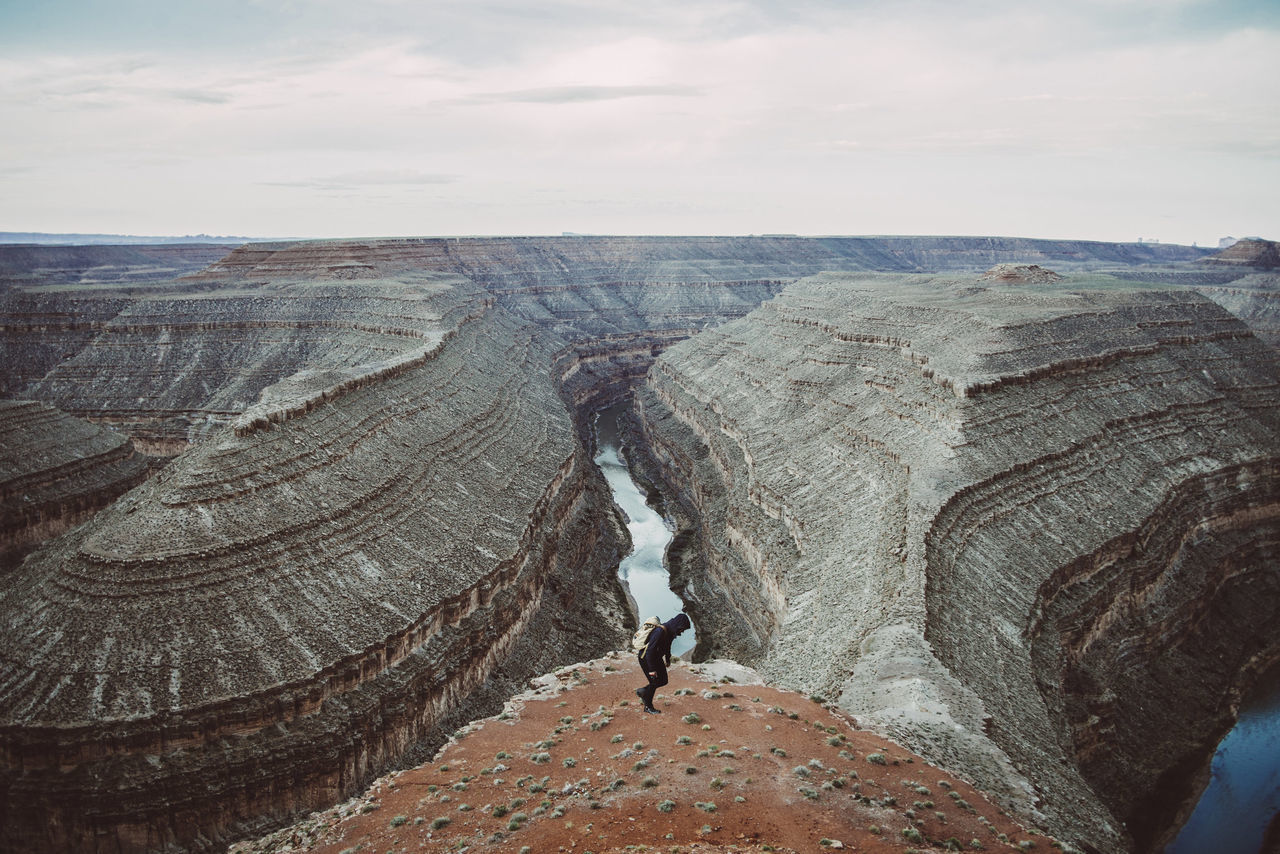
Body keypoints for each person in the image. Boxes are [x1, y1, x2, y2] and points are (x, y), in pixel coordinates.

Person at [635, 612, 692, 714]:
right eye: (682, 629)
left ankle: (643, 691)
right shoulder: (660, 631)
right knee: (654, 682)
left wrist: (668, 658)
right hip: (646, 659)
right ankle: (648, 706)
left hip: (655, 658)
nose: (682, 631)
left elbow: (667, 646)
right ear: (679, 625)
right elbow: (649, 651)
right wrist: (652, 670)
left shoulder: (670, 631)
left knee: (663, 680)